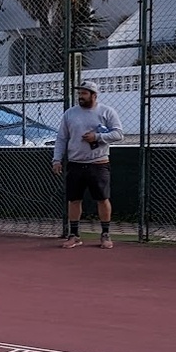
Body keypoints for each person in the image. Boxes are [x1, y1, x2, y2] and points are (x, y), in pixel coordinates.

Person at [52, 80, 123, 249]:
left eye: (84, 93)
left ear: (94, 95)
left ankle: (105, 234)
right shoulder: (70, 114)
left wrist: (97, 137)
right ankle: (74, 235)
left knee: (102, 199)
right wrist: (56, 159)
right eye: (79, 93)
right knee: (74, 200)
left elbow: (119, 134)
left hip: (98, 163)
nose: (80, 97)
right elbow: (61, 138)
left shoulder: (107, 112)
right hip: (75, 164)